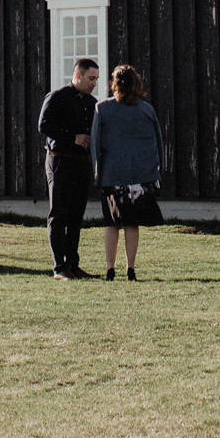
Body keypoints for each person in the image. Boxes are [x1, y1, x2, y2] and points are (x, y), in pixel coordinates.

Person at [89, 64, 164, 280]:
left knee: (111, 223)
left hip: (112, 174)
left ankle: (110, 268)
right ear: (136, 83)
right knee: (132, 223)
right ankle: (130, 268)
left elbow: (95, 144)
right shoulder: (147, 110)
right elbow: (158, 144)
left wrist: (97, 174)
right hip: (141, 174)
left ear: (114, 84)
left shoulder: (102, 108)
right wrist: (158, 173)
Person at [38, 57, 102, 280]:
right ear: (78, 75)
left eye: (96, 79)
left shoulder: (91, 102)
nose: (94, 82)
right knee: (59, 214)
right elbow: (43, 125)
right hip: (59, 160)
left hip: (80, 163)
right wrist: (72, 138)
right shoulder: (57, 97)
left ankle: (73, 265)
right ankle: (59, 268)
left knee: (76, 215)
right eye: (91, 78)